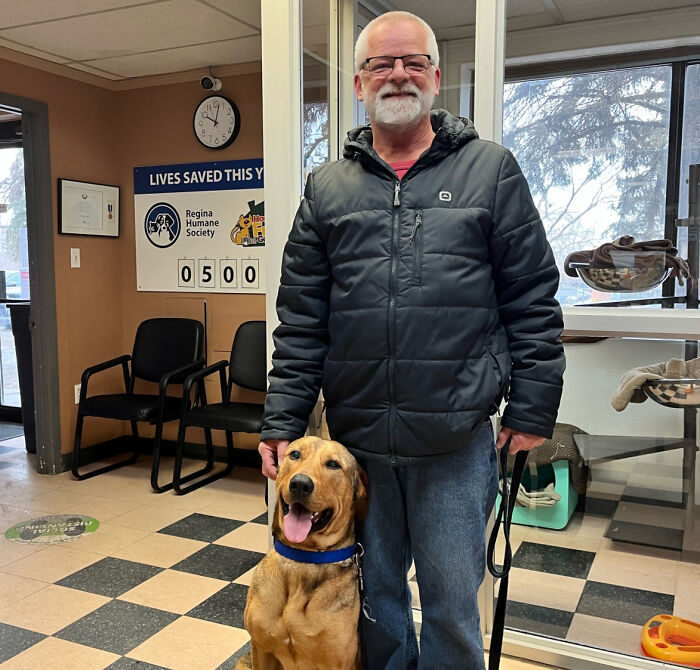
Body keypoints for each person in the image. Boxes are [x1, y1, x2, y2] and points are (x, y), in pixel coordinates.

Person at [258, 10, 565, 670]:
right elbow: (302, 319)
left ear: (435, 77)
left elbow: (533, 300)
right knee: (376, 597)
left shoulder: (491, 171)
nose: (397, 74)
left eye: (412, 62)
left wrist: (533, 409)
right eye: (379, 65)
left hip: (453, 440)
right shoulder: (327, 189)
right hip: (361, 443)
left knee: (454, 604)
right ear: (361, 86)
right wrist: (283, 420)